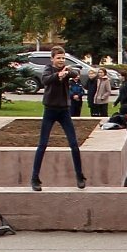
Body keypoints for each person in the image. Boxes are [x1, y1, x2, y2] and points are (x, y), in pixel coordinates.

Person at [31, 47, 86, 192]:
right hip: (50, 110)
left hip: (64, 111)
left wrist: (68, 72)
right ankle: (35, 178)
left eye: (63, 58)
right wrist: (59, 76)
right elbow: (45, 80)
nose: (61, 60)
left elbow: (75, 73)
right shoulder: (48, 69)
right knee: (42, 144)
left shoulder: (66, 70)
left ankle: (80, 176)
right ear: (52, 59)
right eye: (58, 58)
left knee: (74, 144)